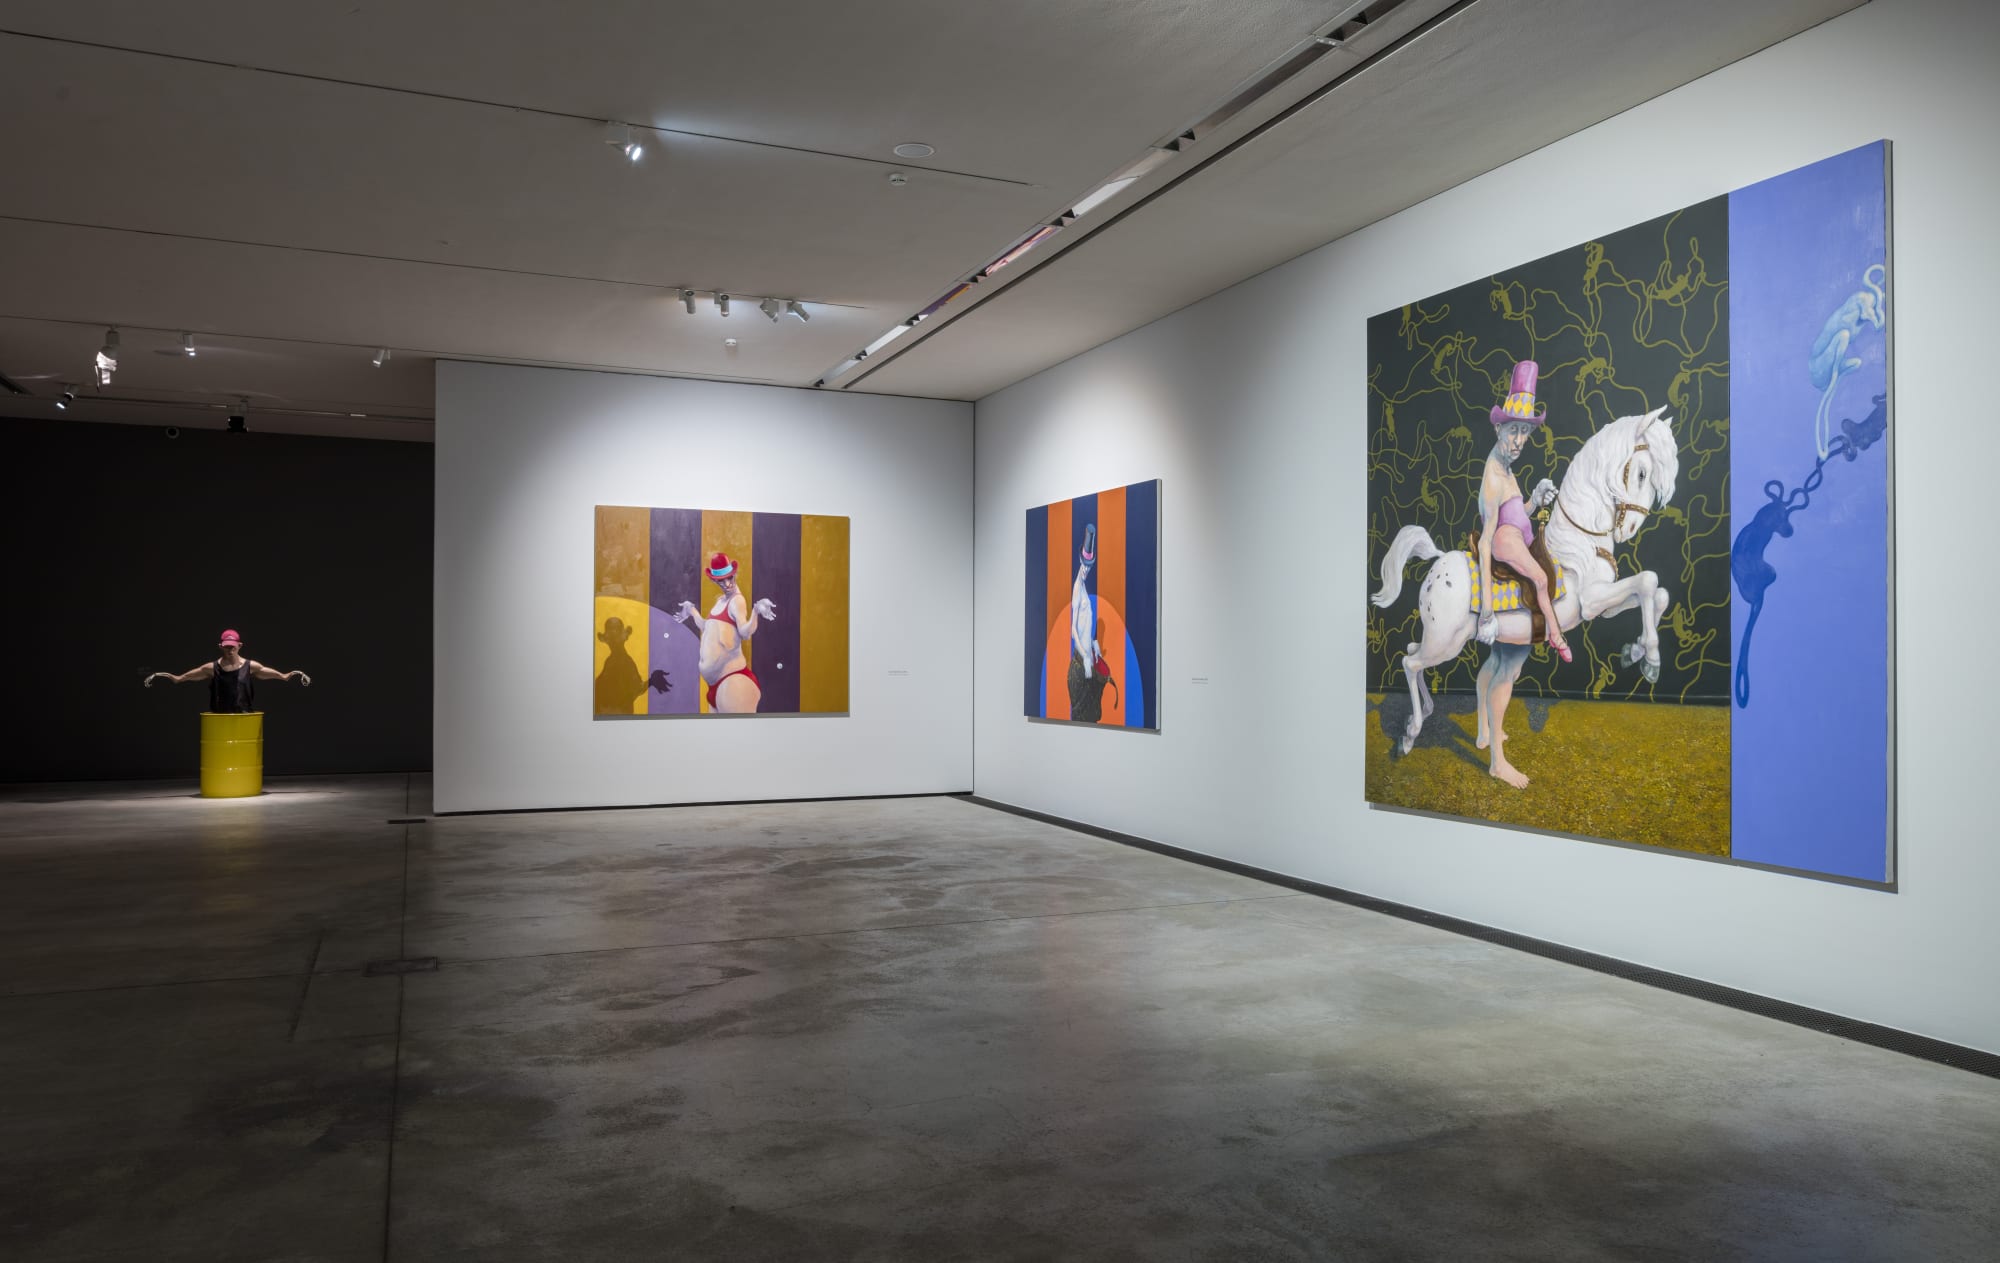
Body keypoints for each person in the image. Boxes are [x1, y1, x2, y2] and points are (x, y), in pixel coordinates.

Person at [674, 552, 776, 714]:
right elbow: (708, 628)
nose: (728, 584)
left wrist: (755, 612)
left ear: (734, 575)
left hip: (733, 680)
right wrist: (691, 610)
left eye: (730, 578)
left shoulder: (737, 601)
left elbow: (744, 632)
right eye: (722, 581)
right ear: (715, 580)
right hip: (715, 686)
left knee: (737, 730)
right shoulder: (720, 601)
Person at [143, 629, 310, 711]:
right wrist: (170, 677)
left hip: (244, 717)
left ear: (240, 645)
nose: (230, 650)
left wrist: (286, 675)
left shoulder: (251, 666)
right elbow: (183, 677)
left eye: (233, 646)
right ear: (221, 646)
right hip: (219, 718)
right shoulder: (211, 668)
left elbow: (274, 674)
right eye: (227, 646)